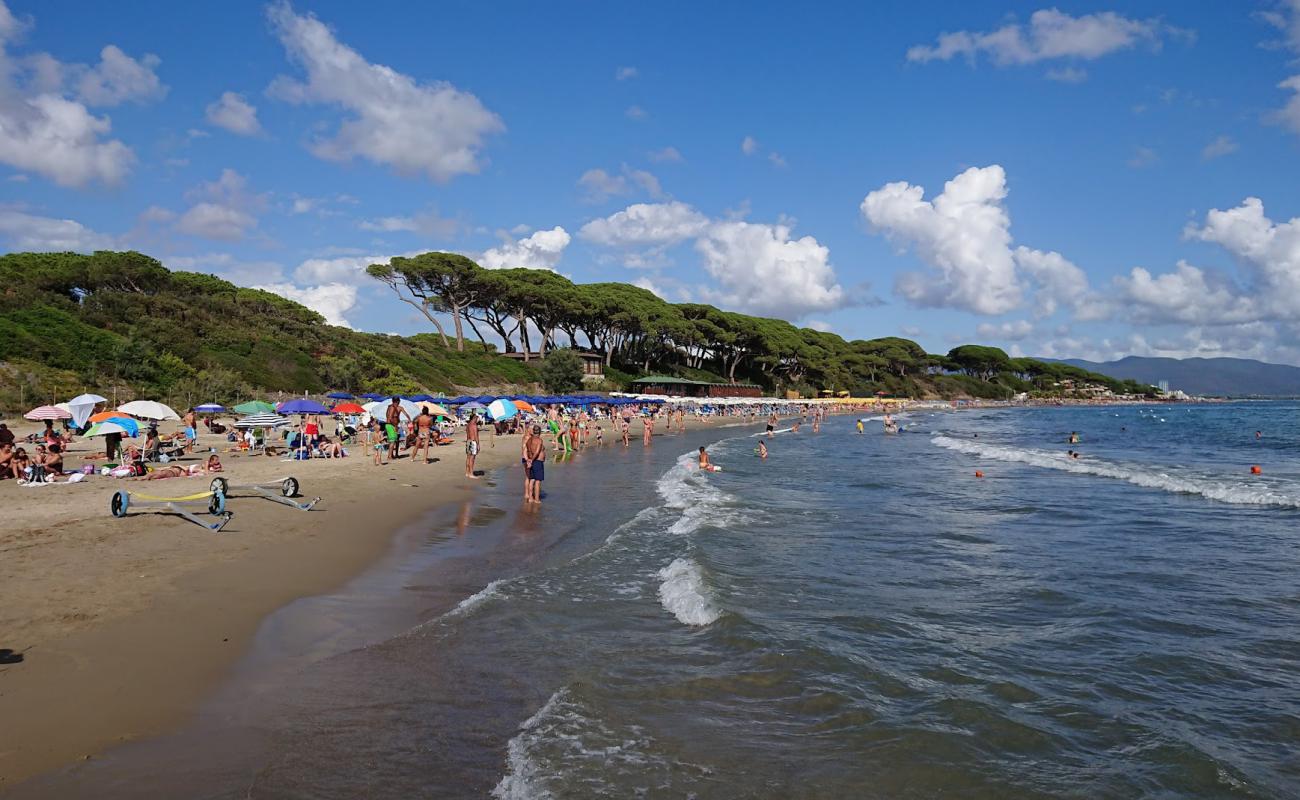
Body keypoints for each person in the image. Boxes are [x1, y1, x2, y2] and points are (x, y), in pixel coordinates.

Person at [524, 424, 546, 503]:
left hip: (531, 460)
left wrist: (528, 460)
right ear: (539, 432)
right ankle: (536, 499)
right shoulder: (539, 440)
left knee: (532, 479)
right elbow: (537, 452)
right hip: (537, 461)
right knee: (537, 481)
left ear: (533, 431)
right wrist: (532, 460)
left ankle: (530, 497)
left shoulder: (529, 440)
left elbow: (526, 450)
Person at [385, 397, 410, 461]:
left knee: (394, 440)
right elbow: (390, 418)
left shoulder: (393, 407)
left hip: (392, 425)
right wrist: (395, 426)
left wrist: (409, 418)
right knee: (392, 441)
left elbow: (406, 414)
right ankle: (389, 456)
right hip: (391, 425)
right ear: (398, 401)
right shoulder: (392, 408)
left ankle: (392, 455)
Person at [465, 411, 480, 478]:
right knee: (472, 458)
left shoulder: (468, 425)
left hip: (468, 441)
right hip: (473, 442)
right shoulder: (474, 425)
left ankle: (467, 472)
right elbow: (476, 436)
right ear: (474, 418)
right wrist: (478, 444)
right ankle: (471, 473)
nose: (477, 419)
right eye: (477, 418)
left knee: (468, 458)